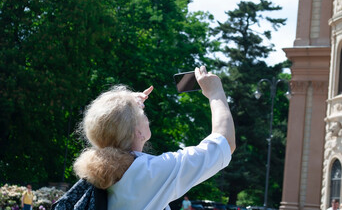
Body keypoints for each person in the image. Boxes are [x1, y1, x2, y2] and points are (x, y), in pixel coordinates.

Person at [72, 66, 236, 209]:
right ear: (137, 133)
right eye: (142, 114)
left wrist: (122, 107)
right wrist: (216, 93)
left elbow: (106, 126)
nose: (147, 117)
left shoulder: (100, 174)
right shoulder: (148, 174)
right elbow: (225, 143)